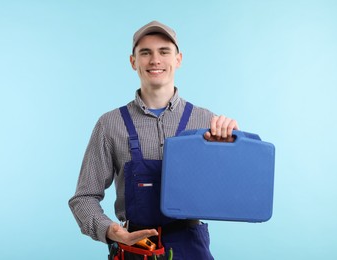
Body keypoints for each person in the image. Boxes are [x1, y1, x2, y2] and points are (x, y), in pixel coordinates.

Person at [68, 20, 239, 259]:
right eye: (145, 53)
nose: (155, 60)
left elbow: (228, 192)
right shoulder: (110, 124)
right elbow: (84, 198)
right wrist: (112, 231)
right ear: (133, 61)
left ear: (178, 59)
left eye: (164, 52)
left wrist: (230, 149)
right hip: (135, 246)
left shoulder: (206, 121)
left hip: (190, 247)